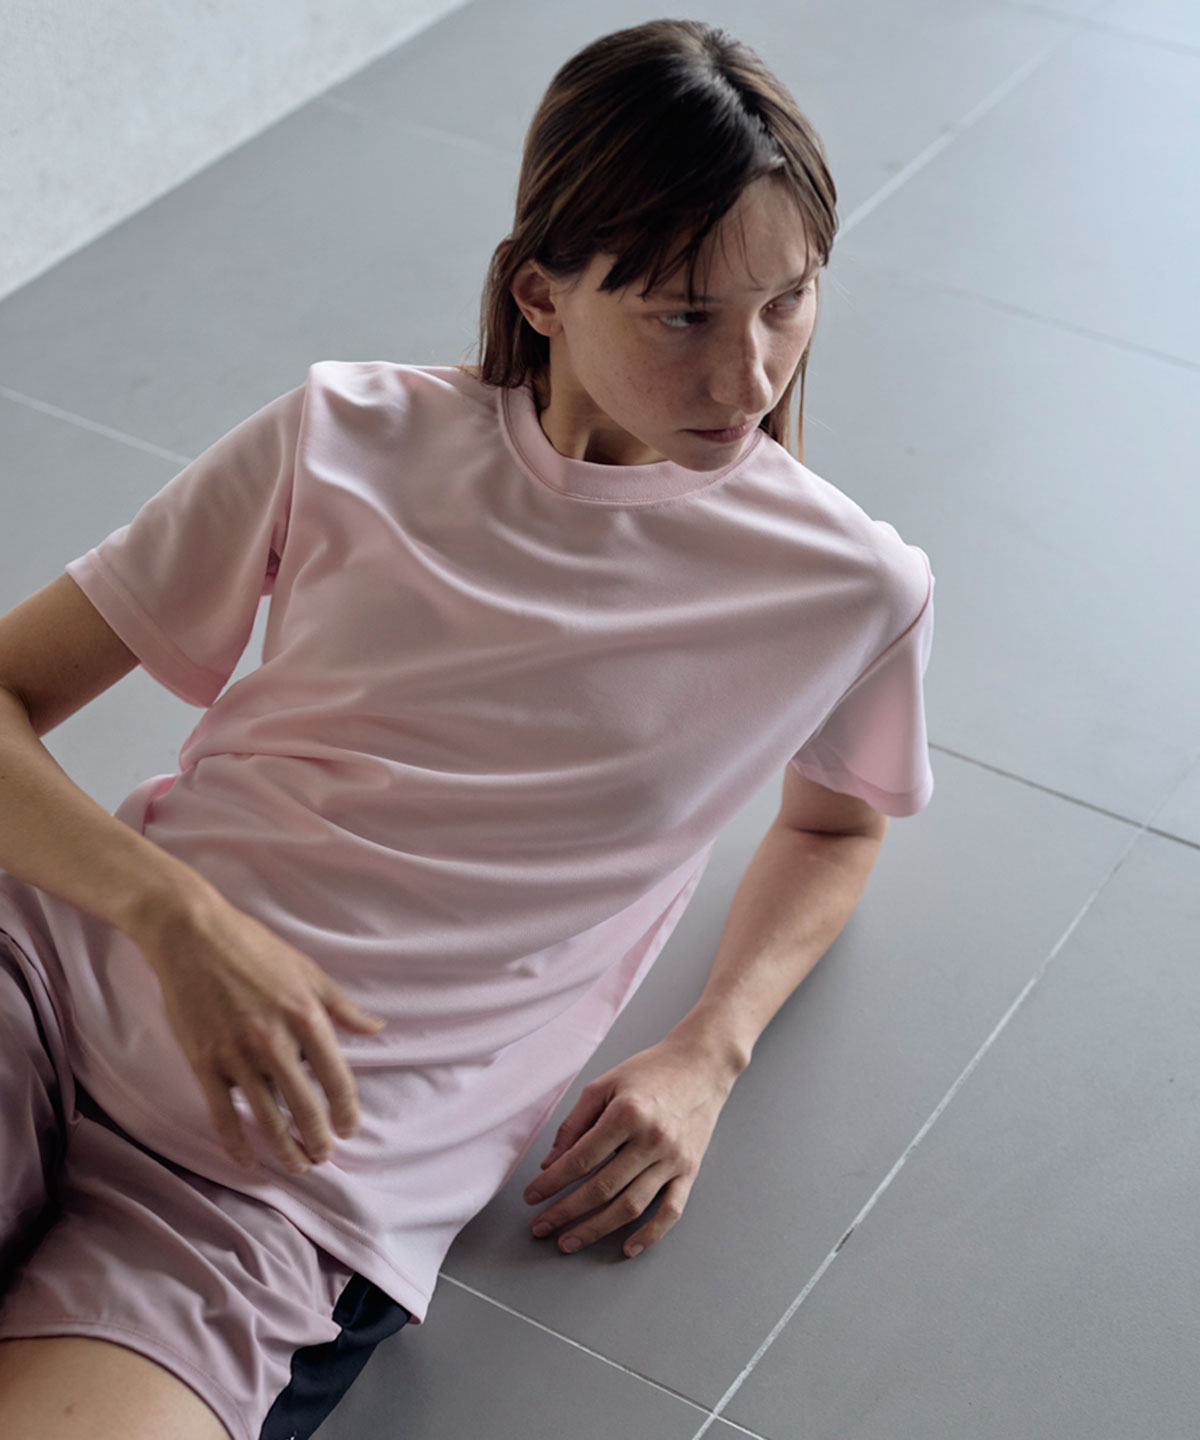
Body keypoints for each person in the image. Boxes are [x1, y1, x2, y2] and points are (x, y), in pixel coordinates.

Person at [0, 17, 936, 1440]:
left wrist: (709, 1048)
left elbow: (836, 826)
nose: (750, 379)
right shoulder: (345, 434)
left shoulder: (849, 589)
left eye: (788, 303)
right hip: (51, 984)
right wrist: (174, 917)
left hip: (286, 1197)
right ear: (543, 292)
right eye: (684, 316)